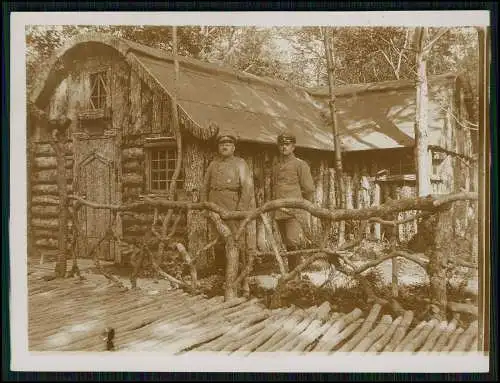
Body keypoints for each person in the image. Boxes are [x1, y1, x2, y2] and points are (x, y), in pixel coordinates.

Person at [200, 132, 254, 275]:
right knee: (217, 237)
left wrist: (240, 210)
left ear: (234, 147)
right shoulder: (213, 164)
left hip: (231, 205)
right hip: (214, 204)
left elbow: (247, 188)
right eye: (222, 144)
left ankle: (236, 271)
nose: (224, 146)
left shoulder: (240, 163)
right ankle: (220, 271)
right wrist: (205, 205)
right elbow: (205, 186)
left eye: (228, 144)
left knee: (234, 238)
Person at [271, 130, 315, 272]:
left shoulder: (300, 165)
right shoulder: (276, 167)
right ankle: (292, 273)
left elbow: (308, 189)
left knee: (293, 241)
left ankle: (296, 274)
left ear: (293, 147)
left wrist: (303, 207)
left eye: (287, 145)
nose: (284, 147)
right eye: (282, 145)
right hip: (279, 210)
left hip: (294, 211)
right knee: (287, 243)